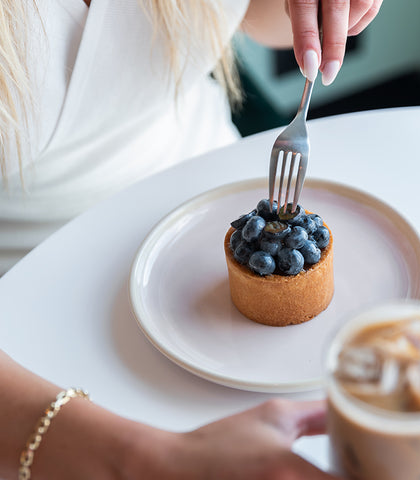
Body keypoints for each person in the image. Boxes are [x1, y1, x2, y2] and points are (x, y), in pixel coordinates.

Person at [0, 1, 382, 478]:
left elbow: (260, 18)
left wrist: (314, 11)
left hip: (213, 183)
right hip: (42, 326)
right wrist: (140, 458)